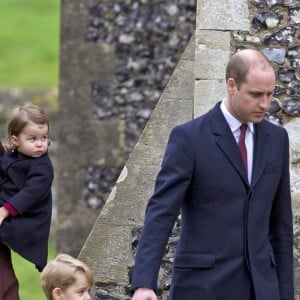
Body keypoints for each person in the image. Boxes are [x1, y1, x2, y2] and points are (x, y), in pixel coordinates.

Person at [131, 49, 294, 300]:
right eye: (256, 94)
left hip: (263, 290)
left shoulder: (277, 139)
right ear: (232, 85)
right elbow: (161, 211)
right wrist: (144, 282)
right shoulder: (189, 138)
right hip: (203, 288)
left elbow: (281, 226)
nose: (265, 103)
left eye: (270, 94)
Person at [0, 103, 54, 299]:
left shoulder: (43, 167)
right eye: (32, 139)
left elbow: (30, 193)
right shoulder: (13, 155)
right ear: (15, 140)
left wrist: (4, 211)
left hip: (27, 218)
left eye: (44, 138)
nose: (40, 144)